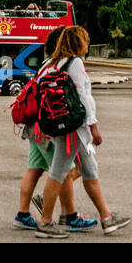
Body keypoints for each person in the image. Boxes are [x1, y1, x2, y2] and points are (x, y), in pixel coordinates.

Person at [33, 26, 131, 238]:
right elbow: (83, 97)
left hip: (62, 125)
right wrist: (94, 127)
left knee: (90, 169)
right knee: (58, 172)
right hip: (74, 128)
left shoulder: (51, 63)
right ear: (78, 43)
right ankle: (45, 222)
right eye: (85, 40)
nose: (87, 44)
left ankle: (106, 217)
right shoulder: (74, 63)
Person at [13, 28, 95, 231]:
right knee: (62, 172)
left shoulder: (44, 65)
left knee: (34, 170)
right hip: (44, 128)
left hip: (33, 125)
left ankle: (22, 214)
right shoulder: (63, 65)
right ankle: (70, 216)